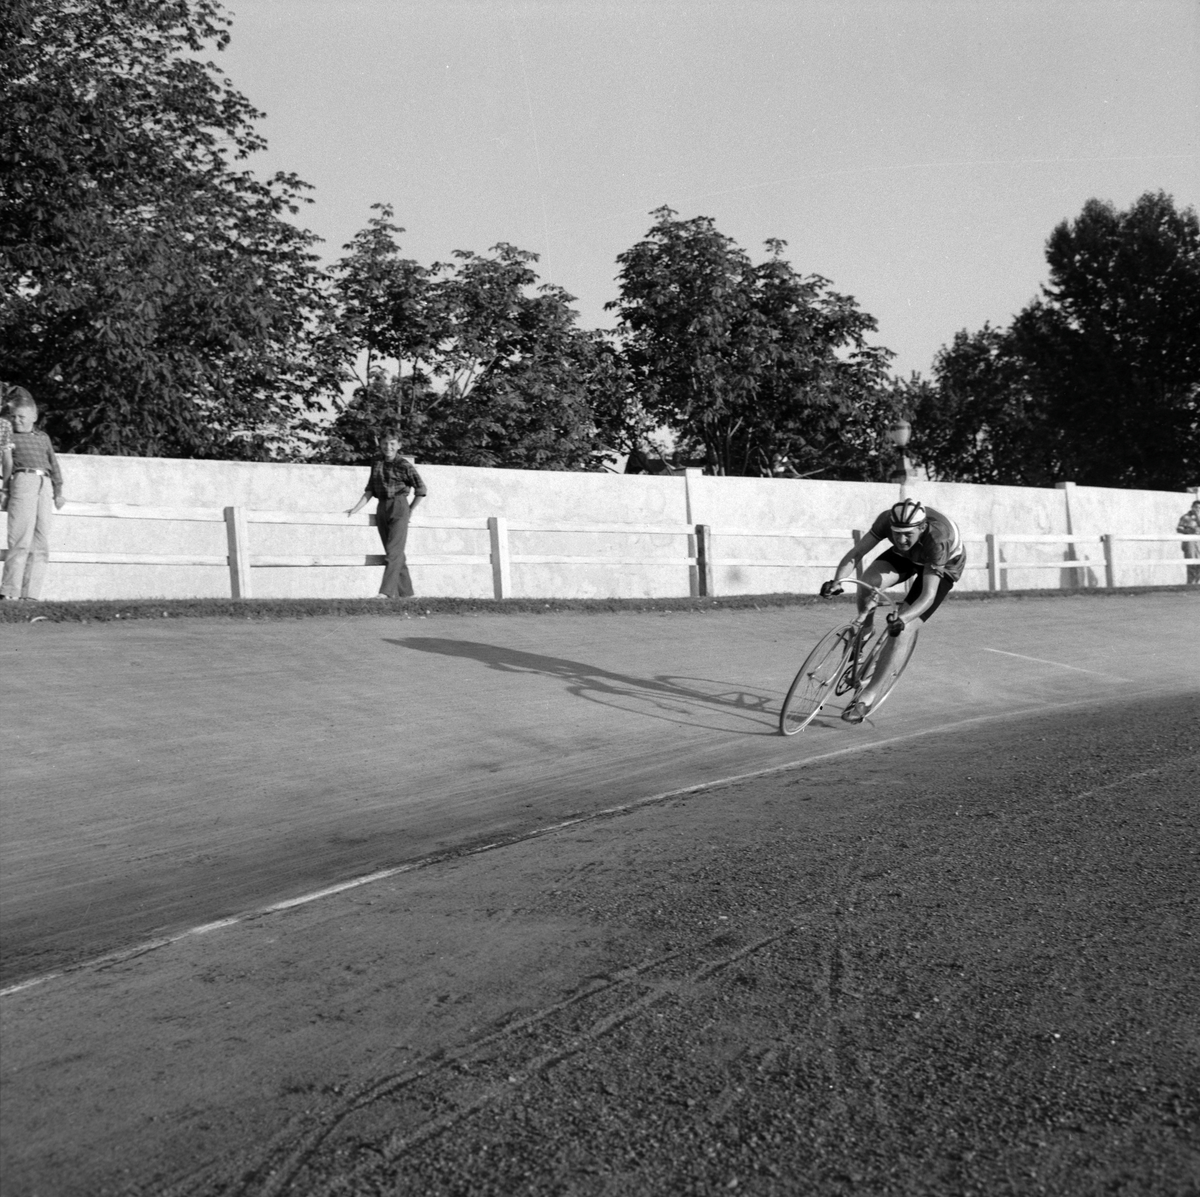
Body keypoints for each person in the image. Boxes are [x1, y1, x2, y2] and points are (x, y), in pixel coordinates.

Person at [820, 497, 965, 723]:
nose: (901, 538)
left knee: (903, 630)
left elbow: (927, 596)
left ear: (922, 527)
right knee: (868, 582)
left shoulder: (938, 539)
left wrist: (902, 619)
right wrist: (837, 580)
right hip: (907, 556)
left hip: (943, 565)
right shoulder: (887, 521)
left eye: (907, 533)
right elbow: (856, 553)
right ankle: (866, 630)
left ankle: (867, 697)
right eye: (897, 533)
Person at [1, 388, 65, 601]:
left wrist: (58, 491)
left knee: (41, 540)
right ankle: (9, 591)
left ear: (34, 417)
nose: (17, 421)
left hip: (44, 484)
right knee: (20, 538)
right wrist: (6, 489)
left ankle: (31, 596)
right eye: (14, 417)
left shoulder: (43, 437)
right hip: (23, 481)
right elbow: (7, 464)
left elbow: (53, 463)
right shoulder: (10, 436)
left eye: (22, 417)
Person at [346, 430, 427, 599]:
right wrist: (355, 509)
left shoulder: (404, 465)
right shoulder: (376, 462)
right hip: (382, 506)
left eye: (392, 443)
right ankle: (407, 595)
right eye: (385, 443)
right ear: (380, 444)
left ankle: (385, 592)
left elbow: (421, 489)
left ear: (399, 445)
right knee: (395, 553)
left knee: (393, 552)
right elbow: (370, 489)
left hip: (399, 506)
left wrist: (410, 510)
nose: (388, 447)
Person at [1178, 499, 1200, 585]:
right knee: (1191, 563)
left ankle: (1196, 583)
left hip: (1199, 542)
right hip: (1190, 542)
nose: (1197, 509)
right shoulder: (1186, 517)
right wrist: (1189, 531)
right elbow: (1179, 528)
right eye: (1196, 507)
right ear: (1192, 507)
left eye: (1199, 508)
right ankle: (1190, 584)